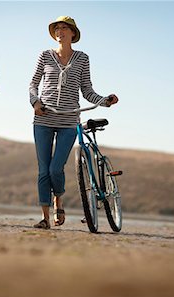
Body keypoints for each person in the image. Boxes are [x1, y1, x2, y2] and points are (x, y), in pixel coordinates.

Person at [29, 16, 119, 229]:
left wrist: (104, 101)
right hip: (43, 118)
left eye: (64, 28)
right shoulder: (44, 55)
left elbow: (87, 90)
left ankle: (58, 200)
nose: (60, 32)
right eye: (57, 28)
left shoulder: (82, 58)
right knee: (43, 170)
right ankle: (45, 218)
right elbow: (33, 84)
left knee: (55, 169)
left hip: (69, 121)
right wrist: (35, 102)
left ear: (72, 33)